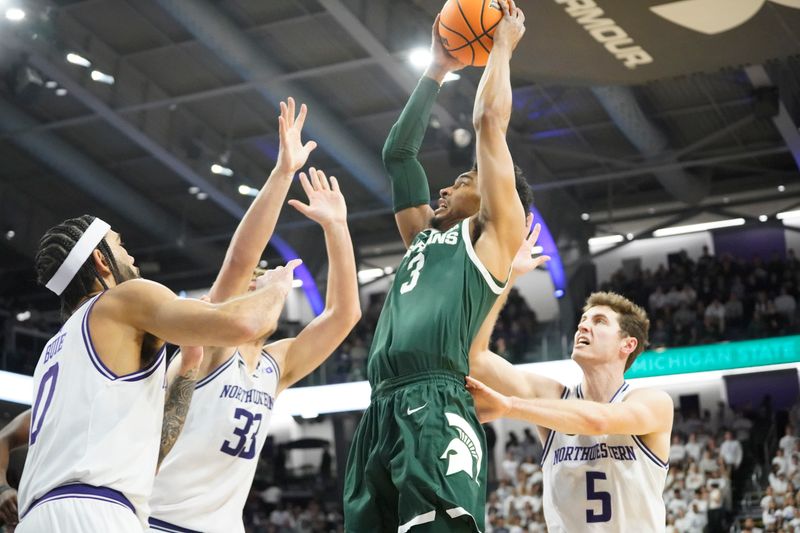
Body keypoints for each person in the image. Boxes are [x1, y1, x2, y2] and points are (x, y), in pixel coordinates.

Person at [343, 1, 533, 530]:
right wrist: (437, 69)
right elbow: (399, 156)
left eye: (466, 180)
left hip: (436, 403)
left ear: (498, 197)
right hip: (380, 409)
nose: (447, 185)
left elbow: (489, 120)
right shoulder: (423, 237)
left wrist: (500, 46)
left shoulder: (493, 237)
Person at [0, 212, 296, 532]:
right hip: (97, 512)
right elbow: (245, 324)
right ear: (101, 259)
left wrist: (188, 368)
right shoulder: (127, 296)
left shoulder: (56, 350)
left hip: (35, 519)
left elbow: (154, 455)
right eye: (120, 244)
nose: (130, 255)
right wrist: (275, 289)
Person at [148, 100, 360, 533]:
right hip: (161, 520)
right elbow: (239, 261)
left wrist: (337, 228)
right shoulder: (211, 344)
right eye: (254, 282)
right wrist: (283, 173)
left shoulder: (274, 365)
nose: (257, 281)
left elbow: (343, 315)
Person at [467, 291, 674, 531]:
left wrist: (510, 406)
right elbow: (476, 358)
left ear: (627, 344)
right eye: (582, 321)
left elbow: (598, 421)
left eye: (599, 321)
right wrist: (504, 278)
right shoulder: (553, 396)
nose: (584, 327)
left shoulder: (653, 402)